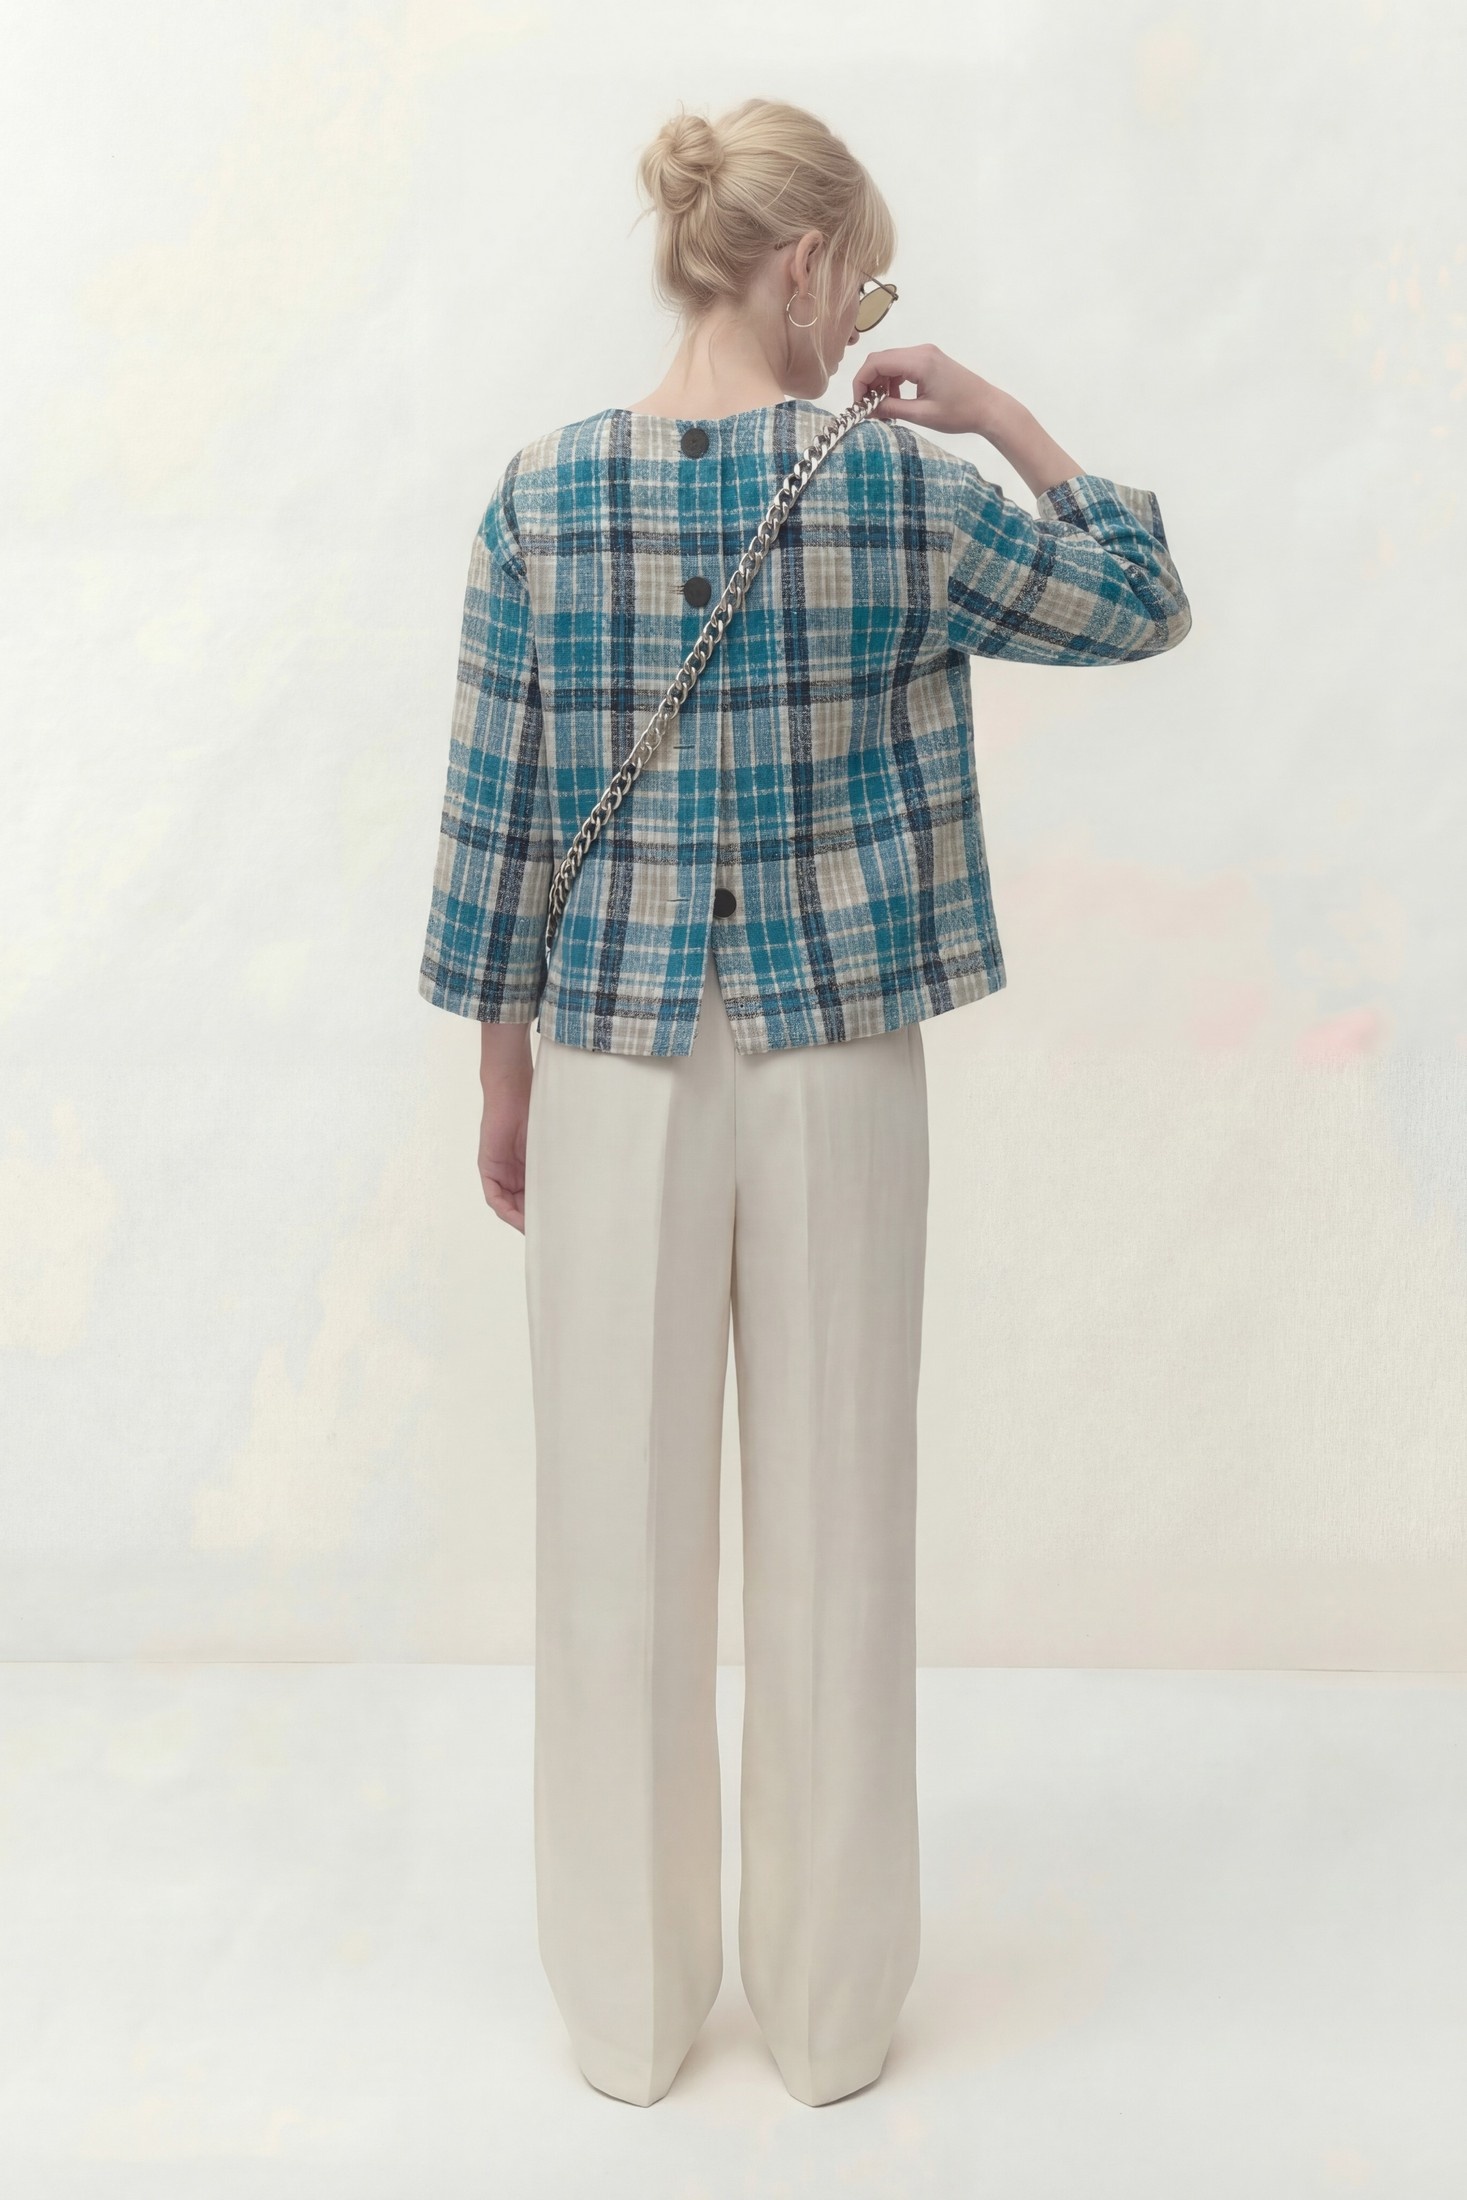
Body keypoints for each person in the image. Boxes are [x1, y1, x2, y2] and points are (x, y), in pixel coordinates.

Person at [417, 96, 1192, 2109]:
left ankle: (626, 2011)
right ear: (807, 266)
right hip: (837, 1049)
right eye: (864, 282)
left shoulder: (537, 497)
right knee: (840, 1527)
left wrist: (501, 1076)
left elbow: (494, 823)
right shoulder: (901, 496)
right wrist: (999, 414)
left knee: (608, 1536)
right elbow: (1137, 593)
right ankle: (834, 2015)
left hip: (605, 1053)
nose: (862, 317)